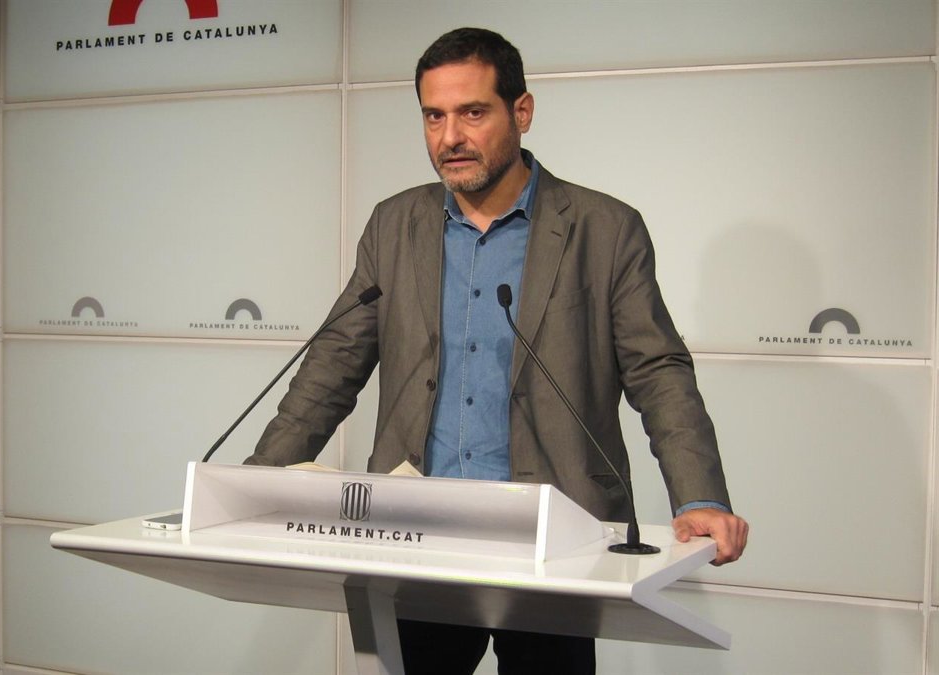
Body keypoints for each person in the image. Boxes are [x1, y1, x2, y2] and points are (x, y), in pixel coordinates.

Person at [244, 27, 748, 674]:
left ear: (522, 112)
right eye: (433, 116)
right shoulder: (394, 225)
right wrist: (258, 483)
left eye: (473, 113)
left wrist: (699, 496)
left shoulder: (604, 229)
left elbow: (657, 372)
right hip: (416, 534)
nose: (450, 136)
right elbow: (335, 362)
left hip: (555, 538)